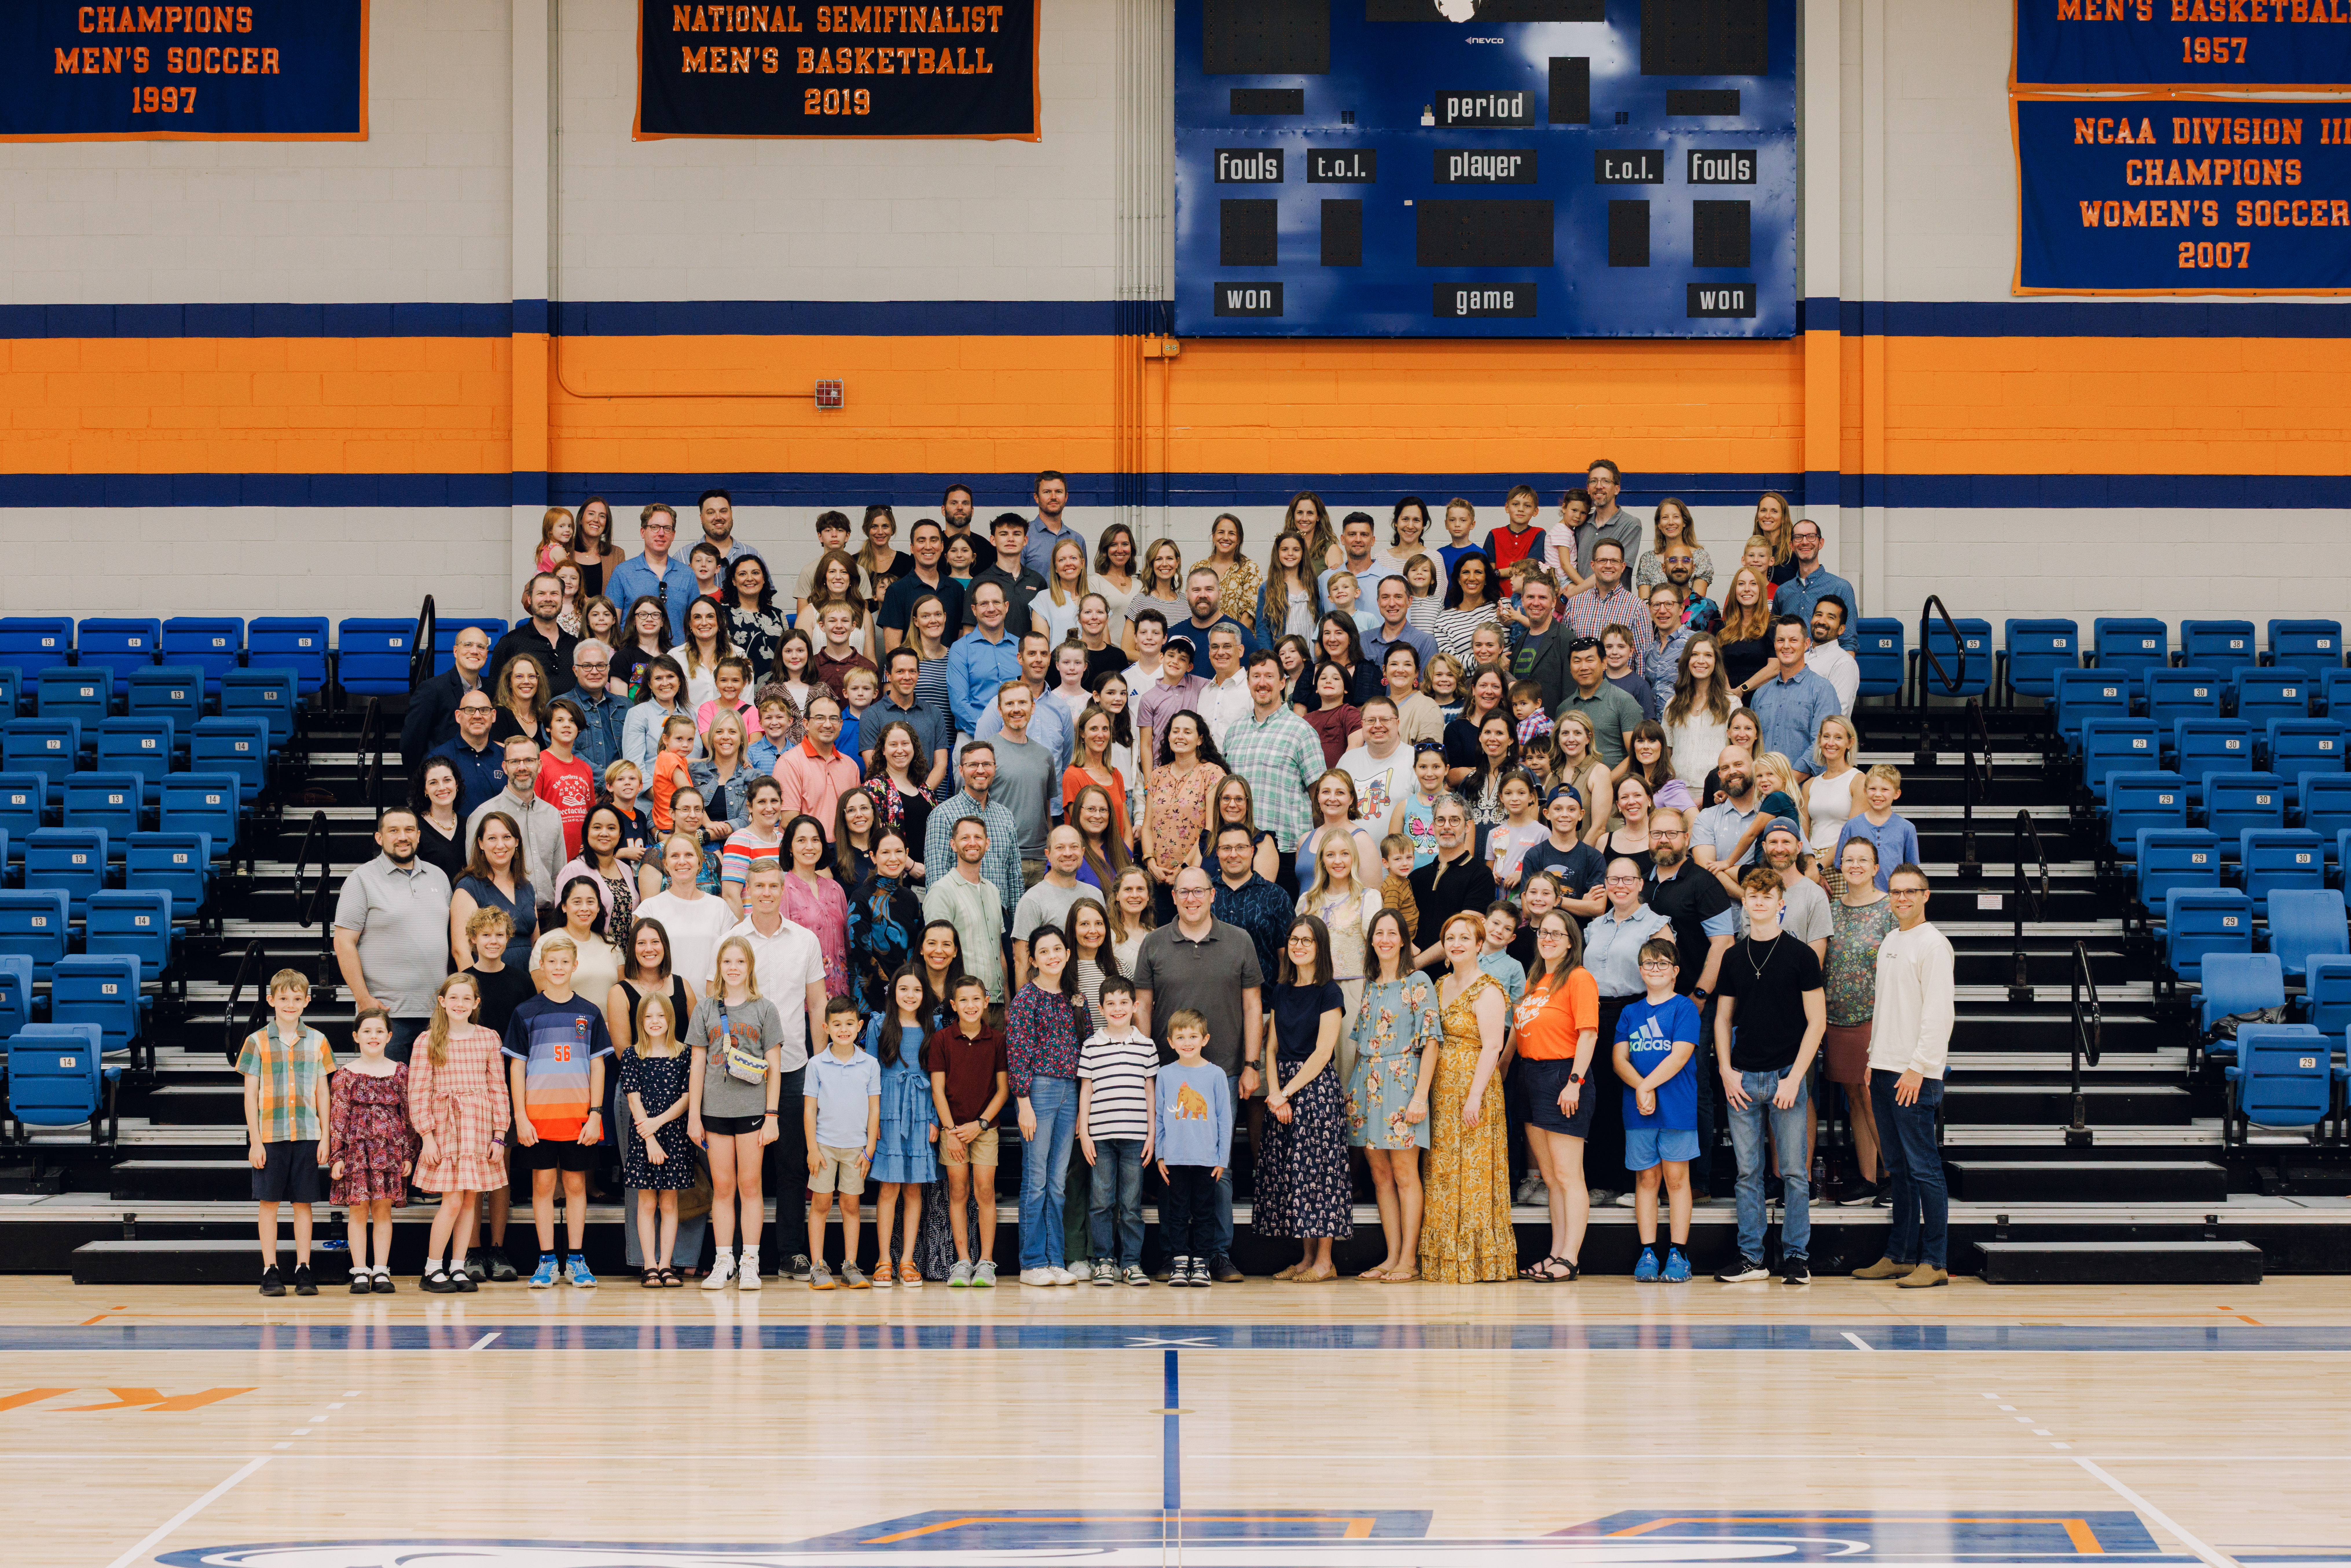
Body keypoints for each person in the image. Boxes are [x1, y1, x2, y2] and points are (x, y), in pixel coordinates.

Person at [1132, 866, 1263, 1281]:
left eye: (1199, 891)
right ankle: (1174, 1256)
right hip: (1167, 1075)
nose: (1191, 899)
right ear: (1173, 896)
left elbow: (1253, 1006)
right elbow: (1142, 1008)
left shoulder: (1238, 941)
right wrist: (1143, 1067)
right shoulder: (1154, 944)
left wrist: (1250, 1064)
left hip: (1220, 1072)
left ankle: (1217, 1255)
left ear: (1213, 895)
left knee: (1216, 1170)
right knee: (1171, 1167)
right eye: (1183, 892)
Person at [1712, 865, 1829, 1285]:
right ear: (1744, 902)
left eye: (1767, 896)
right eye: (1752, 895)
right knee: (1747, 1173)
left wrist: (1795, 1078)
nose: (1758, 902)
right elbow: (1723, 1019)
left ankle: (1796, 1257)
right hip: (1742, 1077)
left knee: (1794, 1172)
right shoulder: (1732, 956)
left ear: (1781, 904)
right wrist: (1725, 1070)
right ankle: (1751, 1258)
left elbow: (1817, 1022)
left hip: (1786, 1076)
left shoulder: (1799, 956)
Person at [1852, 863, 1954, 1288]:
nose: (1902, 899)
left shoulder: (1933, 945)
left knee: (1924, 1167)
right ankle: (1898, 1254)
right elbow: (1887, 1007)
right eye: (1895, 892)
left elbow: (1938, 1013)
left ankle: (1934, 1261)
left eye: (1911, 892)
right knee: (1898, 1168)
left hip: (1915, 1074)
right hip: (1885, 1068)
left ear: (1925, 896)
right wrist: (1874, 1057)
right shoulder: (1892, 940)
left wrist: (1918, 1066)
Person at [504, 936, 611, 1289]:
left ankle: (577, 1259)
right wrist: (520, 1116)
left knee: (576, 1184)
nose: (559, 968)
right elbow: (517, 1068)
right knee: (544, 1185)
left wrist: (595, 1113)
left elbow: (598, 1066)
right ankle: (548, 1260)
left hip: (578, 1117)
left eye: (565, 962)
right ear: (542, 966)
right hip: (538, 1118)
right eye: (552, 962)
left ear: (575, 966)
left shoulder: (590, 1012)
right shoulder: (526, 1012)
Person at [683, 934, 789, 1290]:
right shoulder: (705, 1009)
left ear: (749, 967)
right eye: (727, 962)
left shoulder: (765, 1009)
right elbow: (697, 1065)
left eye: (740, 962)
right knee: (723, 1187)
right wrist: (694, 1116)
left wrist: (772, 1114)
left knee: (750, 1184)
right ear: (719, 967)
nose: (733, 968)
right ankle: (723, 1259)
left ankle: (750, 1261)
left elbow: (774, 1067)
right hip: (714, 1110)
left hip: (753, 1110)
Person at [1255, 916, 1352, 1282]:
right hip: (1282, 1090)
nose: (1298, 946)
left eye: (1307, 940)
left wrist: (1287, 1092)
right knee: (1295, 1176)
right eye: (1294, 939)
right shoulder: (1281, 989)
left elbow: (1324, 1052)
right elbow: (1272, 1045)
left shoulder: (1330, 991)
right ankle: (1306, 1258)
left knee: (1320, 1176)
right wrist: (1275, 1091)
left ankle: (1325, 1261)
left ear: (1320, 946)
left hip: (1315, 1091)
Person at [1419, 912, 1513, 1283]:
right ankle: (1444, 1257)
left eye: (1464, 938)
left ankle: (1477, 1259)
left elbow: (1493, 1046)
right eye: (1450, 937)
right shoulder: (1440, 983)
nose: (1456, 943)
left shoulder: (1487, 988)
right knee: (1443, 1171)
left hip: (1475, 1087)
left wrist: (1474, 1097)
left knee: (1473, 1172)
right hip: (1442, 1088)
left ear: (1479, 945)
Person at [408, 973, 509, 1293]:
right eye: (454, 998)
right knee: (451, 1201)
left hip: (478, 1127)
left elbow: (498, 1088)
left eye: (467, 999)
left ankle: (457, 1266)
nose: (460, 1004)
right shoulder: (427, 1041)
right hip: (446, 1127)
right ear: (442, 1001)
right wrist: (426, 1136)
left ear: (476, 1003)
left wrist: (499, 1134)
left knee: (471, 1201)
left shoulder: (489, 1038)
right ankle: (432, 1268)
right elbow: (418, 1092)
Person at [238, 969, 334, 1297]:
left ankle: (304, 1268)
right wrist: (255, 1140)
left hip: (307, 1133)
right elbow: (250, 1094)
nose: (290, 1004)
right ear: (271, 1001)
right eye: (283, 999)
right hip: (270, 1136)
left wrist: (326, 1136)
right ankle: (270, 1269)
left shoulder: (319, 1041)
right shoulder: (256, 1042)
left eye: (297, 999)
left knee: (303, 1203)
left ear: (307, 1001)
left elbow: (324, 1093)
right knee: (269, 1202)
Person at [332, 809, 452, 1064]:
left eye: (409, 830)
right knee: (384, 1100)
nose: (403, 837)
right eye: (393, 831)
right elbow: (343, 942)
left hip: (437, 1014)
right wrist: (364, 999)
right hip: (386, 1016)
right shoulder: (361, 879)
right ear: (379, 838)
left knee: (432, 1100)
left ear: (419, 836)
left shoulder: (439, 877)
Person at [1617, 937, 1704, 1283]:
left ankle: (1679, 1252)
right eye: (1649, 964)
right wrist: (1641, 1087)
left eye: (1662, 963)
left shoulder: (1684, 1008)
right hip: (1639, 1110)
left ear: (1675, 971)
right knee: (1646, 1178)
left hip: (1676, 1107)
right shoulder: (1630, 1012)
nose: (1655, 969)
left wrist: (1644, 1085)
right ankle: (1649, 1250)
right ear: (1641, 970)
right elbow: (1618, 1058)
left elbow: (1679, 1055)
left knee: (1677, 1180)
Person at [1006, 925, 1088, 1287]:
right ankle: (1032, 1261)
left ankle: (1056, 1258)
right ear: (1034, 959)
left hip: (1070, 1091)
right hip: (1037, 1090)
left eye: (1058, 948)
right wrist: (1023, 1102)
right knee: (1036, 1179)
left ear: (1068, 953)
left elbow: (1082, 1048)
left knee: (1058, 1182)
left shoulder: (1076, 998)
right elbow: (1018, 1053)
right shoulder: (1026, 998)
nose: (1053, 955)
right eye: (1044, 951)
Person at [1822, 836, 1897, 1204]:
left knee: (1872, 1096)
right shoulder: (1830, 909)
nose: (1855, 865)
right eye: (1848, 859)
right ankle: (1868, 1179)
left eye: (1862, 860)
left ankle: (1896, 1178)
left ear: (1875, 866)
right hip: (1836, 1016)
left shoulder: (1889, 909)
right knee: (1853, 1094)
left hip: (1874, 1016)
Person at [926, 974, 1009, 1287]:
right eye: (963, 1000)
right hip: (953, 1130)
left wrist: (981, 1124)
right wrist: (950, 1130)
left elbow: (1002, 1091)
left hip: (985, 1128)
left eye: (977, 999)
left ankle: (986, 1261)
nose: (971, 1005)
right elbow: (938, 1090)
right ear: (953, 1005)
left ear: (986, 1002)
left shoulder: (998, 1039)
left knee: (985, 1190)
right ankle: (963, 1261)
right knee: (958, 1191)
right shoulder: (943, 1039)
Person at [1074, 974, 1157, 1287]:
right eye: (1111, 1003)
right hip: (1101, 1138)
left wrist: (1151, 1134)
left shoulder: (1146, 1046)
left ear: (1135, 1006)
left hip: (1136, 1137)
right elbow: (1086, 1090)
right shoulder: (1092, 1045)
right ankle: (1103, 1260)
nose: (1118, 1008)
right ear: (1101, 1008)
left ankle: (1132, 1263)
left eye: (1124, 1003)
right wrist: (1084, 1131)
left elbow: (1150, 1091)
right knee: (1101, 1202)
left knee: (1131, 1204)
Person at [325, 1007, 415, 1295]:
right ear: (356, 1036)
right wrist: (337, 1156)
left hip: (389, 1153)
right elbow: (338, 1116)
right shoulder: (344, 1075)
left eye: (379, 1031)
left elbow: (408, 1117)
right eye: (367, 1031)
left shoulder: (401, 1072)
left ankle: (381, 1270)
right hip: (355, 1153)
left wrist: (408, 1153)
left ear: (389, 1035)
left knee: (383, 1210)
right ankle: (360, 1270)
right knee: (358, 1211)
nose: (373, 1036)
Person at [858, 969, 938, 1290]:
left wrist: (934, 1117)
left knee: (914, 1188)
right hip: (889, 1109)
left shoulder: (934, 1026)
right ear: (892, 991)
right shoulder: (879, 1024)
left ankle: (907, 1259)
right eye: (903, 988)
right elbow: (870, 1075)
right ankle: (883, 1259)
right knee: (889, 1187)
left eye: (916, 989)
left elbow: (938, 1076)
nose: (909, 995)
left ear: (924, 994)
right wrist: (871, 1123)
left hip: (921, 1110)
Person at [802, 997, 881, 1290]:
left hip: (856, 1148)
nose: (844, 1029)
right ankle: (818, 1265)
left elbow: (875, 1108)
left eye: (850, 1024)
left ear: (860, 1026)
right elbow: (810, 1109)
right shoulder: (816, 1064)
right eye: (837, 1024)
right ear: (826, 1027)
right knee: (821, 1203)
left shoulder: (870, 1065)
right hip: (823, 1146)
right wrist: (812, 1148)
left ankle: (850, 1264)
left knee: (851, 1204)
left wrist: (869, 1148)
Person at [618, 992, 695, 1287]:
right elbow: (634, 1100)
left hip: (673, 1134)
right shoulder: (632, 1055)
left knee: (670, 1201)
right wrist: (649, 1137)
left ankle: (667, 1265)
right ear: (640, 1020)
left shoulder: (684, 1053)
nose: (655, 1021)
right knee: (647, 1201)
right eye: (649, 1016)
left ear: (670, 1019)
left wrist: (659, 1123)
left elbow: (687, 1097)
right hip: (643, 1136)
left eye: (660, 1015)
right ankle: (649, 1264)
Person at [923, 742, 1024, 931]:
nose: (981, 770)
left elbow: (1014, 876)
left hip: (1001, 923)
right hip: (961, 920)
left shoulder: (1005, 815)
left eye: (987, 764)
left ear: (995, 769)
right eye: (973, 765)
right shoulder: (943, 815)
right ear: (961, 770)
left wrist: (1019, 931)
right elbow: (936, 879)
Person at [1407, 795, 1495, 969]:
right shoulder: (1416, 877)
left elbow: (1464, 934)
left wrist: (1414, 966)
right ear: (1433, 827)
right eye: (1441, 820)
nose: (1447, 826)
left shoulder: (1481, 876)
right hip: (1412, 978)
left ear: (1468, 826)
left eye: (1455, 820)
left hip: (1453, 977)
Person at [1747, 616, 1841, 779]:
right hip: (1762, 793)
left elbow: (1821, 746)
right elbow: (1750, 746)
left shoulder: (1822, 690)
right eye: (1781, 640)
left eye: (1793, 640)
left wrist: (1787, 783)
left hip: (1802, 794)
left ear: (1806, 644)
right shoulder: (1761, 694)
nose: (1786, 646)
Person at [402, 625, 493, 772]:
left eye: (481, 647)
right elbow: (411, 744)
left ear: (487, 654)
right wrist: (420, 785)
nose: (475, 651)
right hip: (443, 779)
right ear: (456, 652)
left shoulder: (492, 690)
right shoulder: (432, 689)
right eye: (468, 645)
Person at [947, 578, 1024, 737]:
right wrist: (993, 734)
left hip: (1019, 733)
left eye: (996, 602)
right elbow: (960, 705)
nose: (991, 609)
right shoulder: (961, 649)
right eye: (984, 604)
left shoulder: (1021, 647)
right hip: (973, 736)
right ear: (974, 610)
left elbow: (1032, 694)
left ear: (1006, 607)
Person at [879, 518, 965, 654]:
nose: (928, 546)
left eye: (934, 540)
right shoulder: (897, 591)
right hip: (912, 674)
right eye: (921, 541)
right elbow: (893, 650)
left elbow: (961, 643)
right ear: (912, 548)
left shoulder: (957, 590)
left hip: (949, 672)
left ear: (942, 546)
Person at [1555, 636, 1642, 770]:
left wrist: (1604, 784)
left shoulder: (1624, 701)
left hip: (1614, 787)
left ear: (1604, 663)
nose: (1584, 667)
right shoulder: (1564, 709)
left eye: (1590, 660)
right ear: (1570, 667)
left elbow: (1637, 754)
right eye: (1577, 661)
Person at [489, 574, 582, 698]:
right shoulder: (510, 643)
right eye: (541, 594)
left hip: (569, 717)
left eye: (554, 594)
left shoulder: (575, 645)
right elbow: (496, 693)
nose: (548, 599)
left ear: (563, 599)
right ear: (529, 599)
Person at [1772, 518, 1859, 649]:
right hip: (1789, 667)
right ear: (1792, 545)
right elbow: (1775, 637)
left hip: (1826, 668)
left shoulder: (1841, 588)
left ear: (1821, 543)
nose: (1805, 542)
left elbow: (1848, 642)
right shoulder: (1783, 592)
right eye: (1798, 537)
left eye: (1811, 537)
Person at [1834, 764, 1920, 892]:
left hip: (1893, 900)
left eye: (1885, 790)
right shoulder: (1852, 826)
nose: (1878, 795)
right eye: (1873, 789)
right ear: (1865, 791)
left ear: (1897, 794)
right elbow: (1839, 865)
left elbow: (1912, 871)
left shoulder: (1907, 828)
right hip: (1859, 900)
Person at [1565, 541, 1643, 646]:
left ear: (1623, 567)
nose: (1608, 566)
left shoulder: (1637, 607)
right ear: (1593, 566)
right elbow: (1566, 652)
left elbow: (1643, 658)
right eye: (1603, 561)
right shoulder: (1575, 604)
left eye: (1615, 561)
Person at [1433, 552, 1502, 667]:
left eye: (1478, 572)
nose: (1471, 578)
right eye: (1466, 573)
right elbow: (1451, 662)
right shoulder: (1444, 620)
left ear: (1486, 578)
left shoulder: (1503, 606)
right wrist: (1496, 660)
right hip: (1466, 684)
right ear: (1459, 579)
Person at [1717, 566, 1777, 693]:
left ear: (1761, 589)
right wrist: (1729, 692)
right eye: (1741, 584)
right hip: (1727, 696)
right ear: (1735, 590)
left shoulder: (1773, 625)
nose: (1747, 589)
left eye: (1753, 584)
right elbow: (1717, 665)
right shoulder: (1723, 628)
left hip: (1762, 695)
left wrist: (1743, 689)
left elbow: (1775, 667)